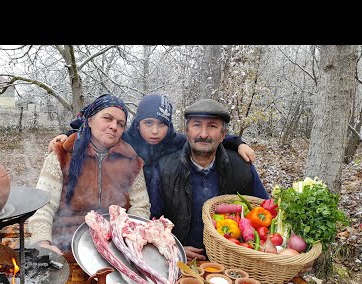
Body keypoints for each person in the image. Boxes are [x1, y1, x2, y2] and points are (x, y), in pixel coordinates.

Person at [28, 94, 151, 260]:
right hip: (64, 249)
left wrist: (129, 237)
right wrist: (42, 242)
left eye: (120, 124)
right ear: (90, 120)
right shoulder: (62, 155)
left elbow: (141, 207)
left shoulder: (132, 161)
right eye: (107, 118)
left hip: (115, 249)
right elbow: (43, 205)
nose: (114, 126)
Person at [48, 93, 256, 191]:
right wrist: (69, 133)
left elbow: (204, 137)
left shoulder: (177, 142)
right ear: (138, 123)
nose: (155, 131)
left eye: (162, 124)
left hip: (162, 200)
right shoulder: (125, 139)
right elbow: (95, 130)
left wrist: (237, 142)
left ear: (170, 127)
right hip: (129, 199)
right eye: (148, 123)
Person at [149, 98, 269, 262]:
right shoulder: (164, 169)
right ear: (187, 131)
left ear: (223, 134)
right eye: (196, 125)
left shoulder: (242, 168)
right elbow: (151, 221)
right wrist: (174, 247)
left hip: (231, 263)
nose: (203, 134)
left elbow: (265, 213)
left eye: (212, 126)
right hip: (178, 261)